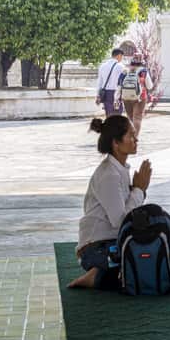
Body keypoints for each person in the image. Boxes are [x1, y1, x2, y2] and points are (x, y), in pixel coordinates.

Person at [68, 115, 152, 289]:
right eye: (131, 135)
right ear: (116, 143)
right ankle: (96, 275)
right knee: (142, 264)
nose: (136, 139)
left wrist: (137, 191)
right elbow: (121, 221)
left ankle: (103, 273)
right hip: (95, 250)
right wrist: (139, 190)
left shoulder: (119, 169)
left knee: (149, 255)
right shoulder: (109, 175)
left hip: (113, 242)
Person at [120, 55, 153, 135]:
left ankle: (130, 134)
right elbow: (149, 86)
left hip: (126, 97)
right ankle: (134, 137)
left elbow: (119, 84)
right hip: (140, 97)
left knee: (130, 117)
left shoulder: (125, 71)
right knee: (137, 118)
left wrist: (117, 97)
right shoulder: (143, 71)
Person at [95, 49, 125, 116]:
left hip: (105, 93)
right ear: (119, 55)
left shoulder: (102, 66)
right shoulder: (120, 66)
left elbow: (99, 82)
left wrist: (97, 95)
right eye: (122, 57)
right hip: (116, 93)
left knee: (108, 114)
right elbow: (124, 81)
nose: (121, 59)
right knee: (117, 114)